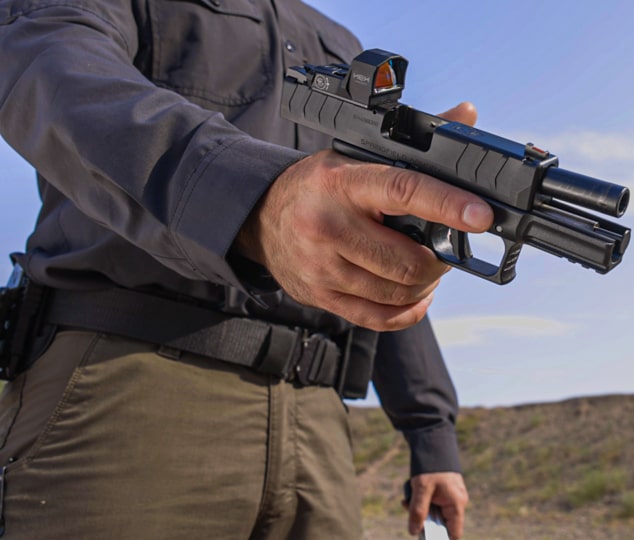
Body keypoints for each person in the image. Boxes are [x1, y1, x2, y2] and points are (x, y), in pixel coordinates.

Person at [0, 1, 488, 538]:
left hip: (319, 422)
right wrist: (255, 203)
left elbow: (372, 244)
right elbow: (48, 67)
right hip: (127, 389)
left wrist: (432, 436)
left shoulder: (342, 43)